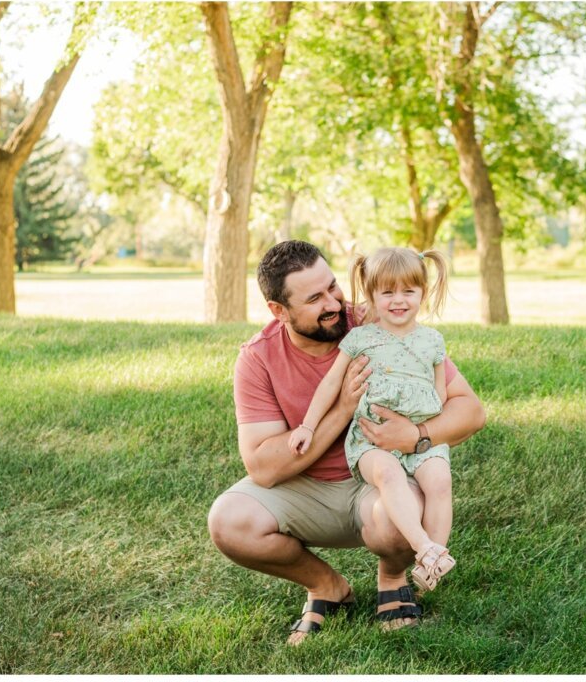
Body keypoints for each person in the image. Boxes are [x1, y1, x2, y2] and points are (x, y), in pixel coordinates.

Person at [206, 240, 485, 646]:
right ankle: (326, 586)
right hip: (304, 489)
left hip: (376, 480)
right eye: (315, 298)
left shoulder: (377, 323)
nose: (335, 303)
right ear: (279, 311)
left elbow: (470, 411)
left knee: (400, 514)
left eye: (333, 287)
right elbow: (263, 467)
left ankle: (392, 576)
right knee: (229, 521)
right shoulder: (258, 357)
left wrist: (417, 436)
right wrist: (342, 409)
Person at [288, 247, 456, 593]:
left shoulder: (432, 341)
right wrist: (308, 425)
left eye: (408, 291)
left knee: (439, 481)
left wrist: (421, 433)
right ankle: (423, 547)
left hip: (416, 438)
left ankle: (435, 559)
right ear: (371, 296)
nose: (399, 300)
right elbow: (331, 383)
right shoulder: (361, 338)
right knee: (389, 474)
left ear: (423, 293)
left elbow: (439, 394)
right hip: (371, 440)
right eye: (387, 292)